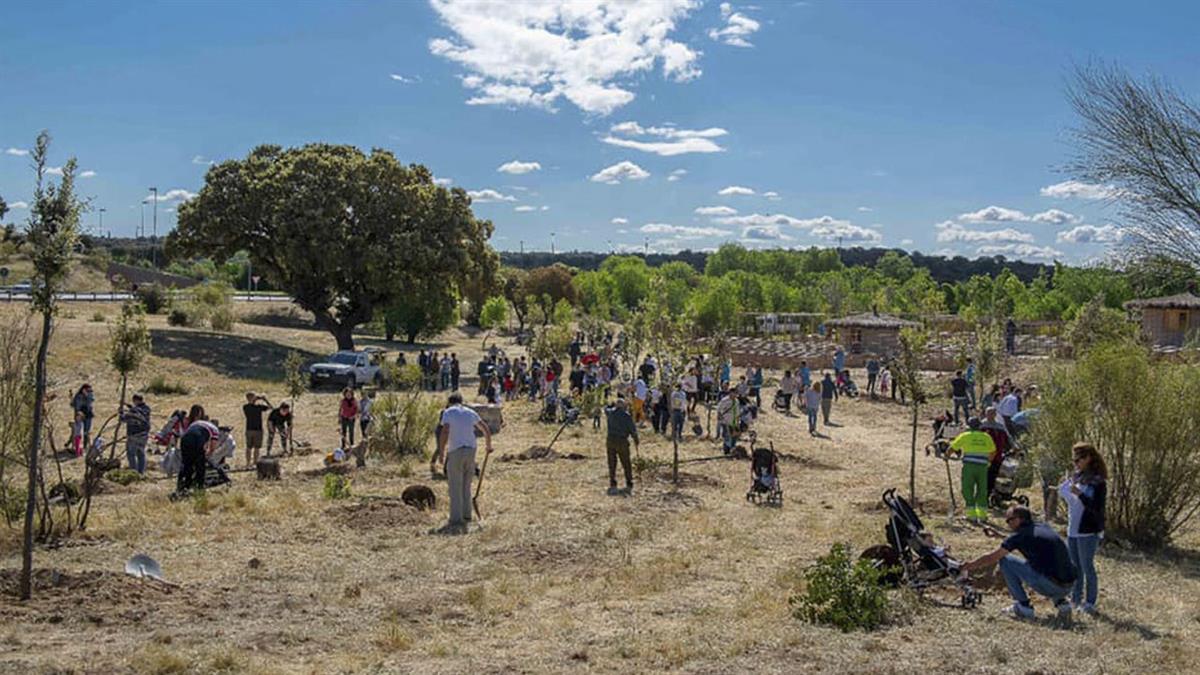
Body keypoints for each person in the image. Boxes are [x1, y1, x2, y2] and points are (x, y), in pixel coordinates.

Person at [961, 505, 1076, 620]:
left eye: (1009, 520)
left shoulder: (1019, 536)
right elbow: (1022, 539)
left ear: (1019, 519)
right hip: (1069, 586)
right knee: (1047, 563)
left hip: (1050, 585)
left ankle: (1024, 606)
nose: (1008, 523)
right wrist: (1001, 536)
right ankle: (1062, 604)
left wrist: (969, 566)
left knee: (1005, 560)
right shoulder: (1043, 527)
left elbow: (992, 557)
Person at [434, 393, 493, 532]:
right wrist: (488, 445)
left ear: (449, 402)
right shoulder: (469, 412)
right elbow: (485, 428)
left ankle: (456, 519)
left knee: (455, 485)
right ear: (462, 402)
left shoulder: (448, 412)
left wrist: (441, 453)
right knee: (467, 484)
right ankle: (467, 515)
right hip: (471, 450)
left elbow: (445, 431)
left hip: (456, 450)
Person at [1059, 443, 1107, 613]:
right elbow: (1066, 496)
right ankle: (1076, 598)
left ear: (1088, 458)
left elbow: (1096, 507)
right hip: (1073, 528)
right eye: (1074, 460)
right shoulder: (1078, 477)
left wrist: (1080, 495)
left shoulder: (1098, 482)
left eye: (1079, 459)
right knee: (1075, 566)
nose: (1076, 463)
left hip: (1088, 530)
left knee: (1087, 566)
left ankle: (1090, 602)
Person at [950, 417, 996, 522]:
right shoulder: (986, 437)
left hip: (969, 467)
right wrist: (988, 462)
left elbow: (953, 448)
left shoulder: (965, 436)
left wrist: (946, 455)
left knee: (967, 489)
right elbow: (993, 452)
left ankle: (971, 515)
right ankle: (982, 515)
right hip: (983, 467)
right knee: (982, 490)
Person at [176, 417, 220, 495]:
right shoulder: (214, 429)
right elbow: (213, 447)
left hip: (185, 439)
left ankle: (183, 486)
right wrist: (207, 455)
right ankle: (199, 488)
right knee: (200, 465)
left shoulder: (197, 422)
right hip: (197, 439)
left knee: (186, 464)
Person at [604, 398, 638, 495]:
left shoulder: (610, 413)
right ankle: (629, 482)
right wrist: (636, 440)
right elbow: (632, 430)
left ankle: (613, 483)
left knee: (612, 463)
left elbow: (605, 409)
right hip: (622, 441)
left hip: (610, 440)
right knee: (626, 463)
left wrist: (610, 405)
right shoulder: (626, 416)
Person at [981, 407, 1010, 497]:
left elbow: (1007, 439)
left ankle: (990, 494)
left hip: (996, 456)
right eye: (989, 413)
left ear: (995, 414)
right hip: (983, 456)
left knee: (992, 476)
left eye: (992, 413)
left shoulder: (1000, 427)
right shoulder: (981, 425)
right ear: (985, 414)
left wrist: (1012, 447)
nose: (990, 415)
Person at [120, 394, 152, 474]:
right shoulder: (147, 409)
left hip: (134, 435)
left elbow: (123, 419)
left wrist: (121, 413)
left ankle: (133, 473)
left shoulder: (133, 411)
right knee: (141, 454)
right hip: (144, 435)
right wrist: (129, 406)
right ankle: (141, 472)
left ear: (135, 400)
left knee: (131, 454)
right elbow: (138, 410)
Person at [242, 392, 271, 466]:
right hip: (252, 429)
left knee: (256, 448)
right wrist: (263, 399)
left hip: (256, 429)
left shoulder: (256, 407)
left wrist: (264, 399)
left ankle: (254, 462)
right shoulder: (246, 407)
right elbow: (269, 407)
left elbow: (270, 408)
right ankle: (248, 463)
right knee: (249, 447)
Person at [71, 383, 95, 450]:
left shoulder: (90, 395)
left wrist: (87, 396)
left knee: (87, 431)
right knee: (78, 432)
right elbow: (74, 405)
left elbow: (91, 401)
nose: (89, 391)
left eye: (90, 390)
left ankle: (85, 446)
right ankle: (77, 448)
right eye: (87, 390)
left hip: (88, 415)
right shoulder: (78, 396)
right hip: (79, 415)